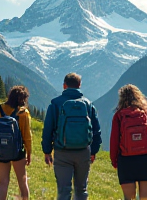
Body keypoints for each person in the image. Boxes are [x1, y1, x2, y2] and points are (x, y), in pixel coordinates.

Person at [41, 72, 102, 200]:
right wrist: (93, 151)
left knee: (64, 191)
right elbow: (96, 131)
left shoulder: (55, 104)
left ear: (64, 85)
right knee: (81, 190)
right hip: (83, 152)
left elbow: (48, 129)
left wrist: (47, 151)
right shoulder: (88, 104)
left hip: (62, 152)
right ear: (79, 85)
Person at [110, 84, 147, 200]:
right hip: (146, 159)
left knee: (129, 197)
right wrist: (146, 148)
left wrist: (115, 160)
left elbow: (114, 142)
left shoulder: (119, 116)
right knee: (144, 196)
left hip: (126, 160)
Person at [0, 85, 32, 200]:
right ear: (24, 99)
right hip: (18, 152)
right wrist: (28, 153)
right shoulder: (23, 113)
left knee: (3, 182)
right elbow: (27, 136)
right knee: (22, 181)